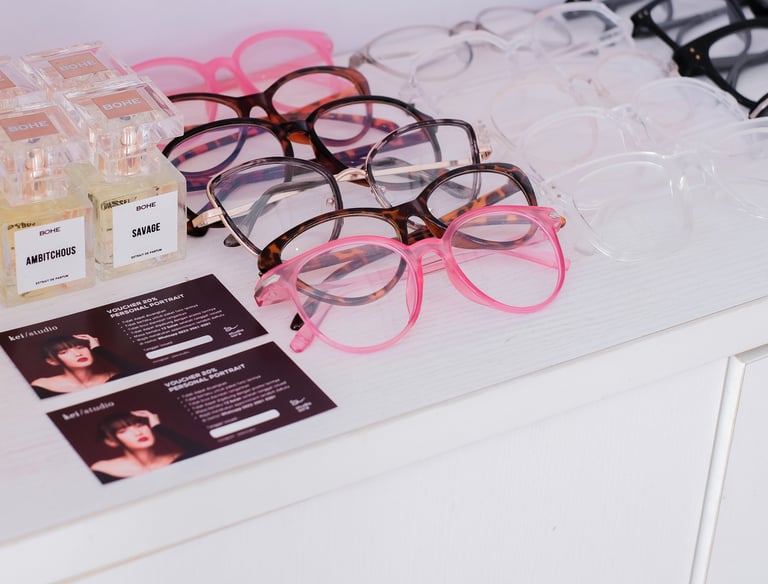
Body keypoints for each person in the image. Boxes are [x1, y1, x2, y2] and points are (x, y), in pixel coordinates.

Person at [89, 409, 201, 483]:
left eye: (140, 425)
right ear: (111, 441)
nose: (138, 433)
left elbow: (202, 451)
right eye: (123, 431)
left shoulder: (178, 458)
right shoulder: (103, 469)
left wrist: (159, 427)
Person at [30, 334, 122, 398]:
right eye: (64, 352)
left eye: (80, 347)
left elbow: (131, 369)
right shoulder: (42, 385)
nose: (78, 354)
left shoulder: (114, 377)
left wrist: (98, 349)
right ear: (52, 361)